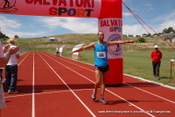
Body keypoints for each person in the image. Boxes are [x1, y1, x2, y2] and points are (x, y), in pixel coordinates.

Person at [69, 31, 134, 104]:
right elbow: (84, 47)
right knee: (98, 81)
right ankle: (94, 91)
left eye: (103, 35)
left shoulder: (106, 43)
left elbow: (117, 42)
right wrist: (74, 51)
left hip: (105, 65)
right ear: (97, 36)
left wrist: (128, 41)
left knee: (103, 83)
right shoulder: (94, 44)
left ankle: (102, 97)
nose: (102, 36)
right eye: (100, 35)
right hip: (98, 65)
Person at [0, 41, 19, 114]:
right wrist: (10, 52)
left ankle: (8, 88)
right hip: (13, 64)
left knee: (7, 77)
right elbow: (1, 63)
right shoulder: (13, 47)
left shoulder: (4, 46)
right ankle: (12, 89)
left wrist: (4, 51)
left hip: (8, 65)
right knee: (13, 77)